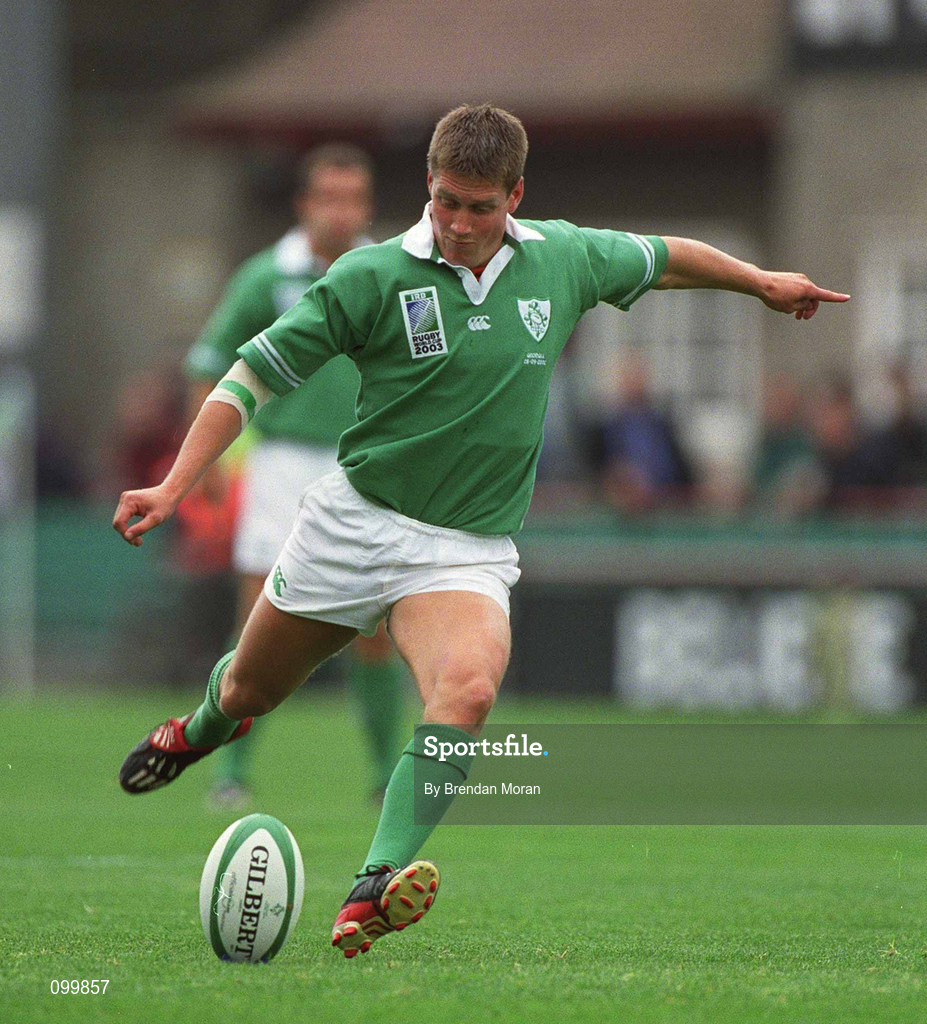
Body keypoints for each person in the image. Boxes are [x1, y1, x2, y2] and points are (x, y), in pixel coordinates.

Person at [113, 104, 850, 959]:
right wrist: (174, 485)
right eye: (445, 203)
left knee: (464, 694)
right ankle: (198, 730)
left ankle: (371, 885)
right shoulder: (371, 275)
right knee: (248, 693)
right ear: (428, 189)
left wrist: (758, 281)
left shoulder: (562, 258)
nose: (459, 225)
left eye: (479, 206)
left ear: (515, 196)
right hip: (353, 526)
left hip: (463, 549)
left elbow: (666, 257)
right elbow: (247, 378)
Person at [183, 143, 407, 806]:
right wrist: (210, 460)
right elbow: (208, 363)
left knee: (371, 625)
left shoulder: (392, 274)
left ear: (366, 207)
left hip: (363, 464)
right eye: (327, 198)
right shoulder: (267, 277)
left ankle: (379, 777)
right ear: (304, 205)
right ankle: (230, 770)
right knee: (258, 616)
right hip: (281, 463)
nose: (340, 212)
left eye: (353, 199)